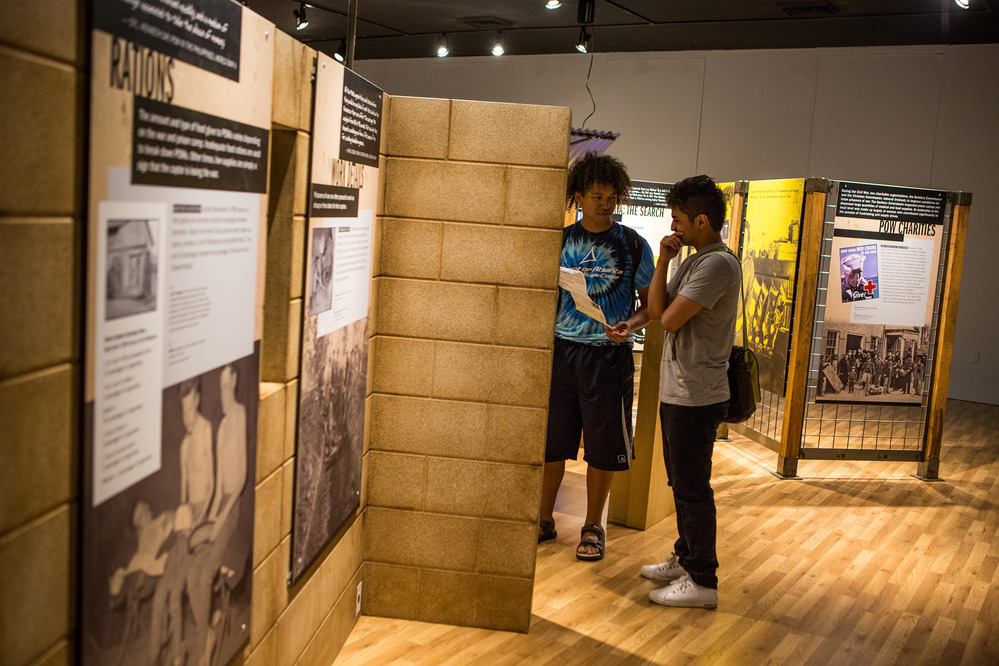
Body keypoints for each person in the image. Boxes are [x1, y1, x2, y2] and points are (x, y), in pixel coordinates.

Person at [538, 152, 655, 561]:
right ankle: (543, 519)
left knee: (604, 449)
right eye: (597, 196)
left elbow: (650, 307)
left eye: (611, 196)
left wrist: (630, 325)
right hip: (561, 353)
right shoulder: (561, 240)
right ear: (579, 197)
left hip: (609, 357)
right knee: (552, 444)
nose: (606, 203)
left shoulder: (633, 244)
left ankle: (593, 525)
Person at [640, 175, 740, 609]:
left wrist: (669, 266)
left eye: (678, 219)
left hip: (697, 395)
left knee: (693, 488)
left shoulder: (718, 265)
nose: (673, 226)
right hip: (680, 390)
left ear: (702, 221)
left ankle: (702, 579)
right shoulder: (694, 260)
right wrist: (664, 259)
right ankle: (686, 557)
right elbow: (656, 309)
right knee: (681, 483)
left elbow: (668, 321)